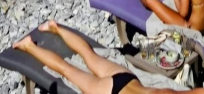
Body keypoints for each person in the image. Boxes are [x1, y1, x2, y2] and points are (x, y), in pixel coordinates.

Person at [14, 19, 159, 94]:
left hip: (128, 79)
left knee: (88, 53)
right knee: (66, 69)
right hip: (108, 91)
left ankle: (55, 27)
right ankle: (28, 45)